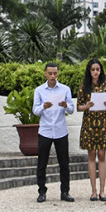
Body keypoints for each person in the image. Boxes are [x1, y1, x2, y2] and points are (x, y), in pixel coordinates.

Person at [32, 62, 76, 203]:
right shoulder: (39, 90)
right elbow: (35, 110)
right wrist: (43, 107)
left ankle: (65, 192)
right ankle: (41, 192)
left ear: (58, 73)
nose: (52, 76)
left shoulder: (65, 89)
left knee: (64, 164)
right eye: (50, 73)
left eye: (55, 73)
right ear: (45, 73)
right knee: (42, 163)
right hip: (45, 130)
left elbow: (71, 109)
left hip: (61, 130)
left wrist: (65, 105)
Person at [77, 58, 106, 201]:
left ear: (101, 71)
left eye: (97, 69)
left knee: (102, 155)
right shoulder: (84, 86)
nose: (95, 72)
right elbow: (79, 107)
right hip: (89, 125)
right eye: (93, 70)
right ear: (89, 71)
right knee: (91, 155)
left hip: (103, 123)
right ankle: (93, 191)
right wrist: (86, 106)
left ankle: (102, 191)